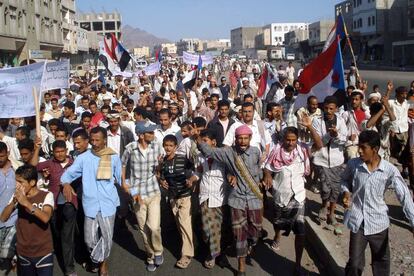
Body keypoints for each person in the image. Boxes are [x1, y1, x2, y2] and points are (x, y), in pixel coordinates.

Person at [341, 130, 414, 276]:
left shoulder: (389, 170)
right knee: (354, 264)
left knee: (381, 262)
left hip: (378, 223)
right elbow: (344, 180)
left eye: (363, 148)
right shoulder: (354, 165)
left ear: (375, 149)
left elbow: (404, 196)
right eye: (359, 147)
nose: (359, 151)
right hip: (358, 222)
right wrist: (346, 192)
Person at [198, 125, 263, 276]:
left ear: (250, 138)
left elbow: (259, 168)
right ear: (235, 139)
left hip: (254, 198)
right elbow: (209, 151)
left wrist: (263, 177)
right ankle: (241, 269)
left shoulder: (255, 152)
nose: (242, 141)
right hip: (237, 199)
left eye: (245, 138)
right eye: (239, 138)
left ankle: (250, 243)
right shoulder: (228, 152)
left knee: (256, 231)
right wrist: (198, 139)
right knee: (239, 234)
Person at [60, 127, 122, 276]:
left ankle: (102, 265)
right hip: (90, 205)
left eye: (97, 140)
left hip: (108, 204)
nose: (94, 143)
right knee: (89, 240)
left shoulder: (113, 157)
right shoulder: (83, 158)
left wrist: (131, 194)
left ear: (104, 140)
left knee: (106, 238)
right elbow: (67, 175)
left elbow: (120, 179)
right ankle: (97, 259)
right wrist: (66, 183)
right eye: (92, 140)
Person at [263, 127, 311, 276]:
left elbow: (319, 145)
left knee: (300, 231)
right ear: (283, 139)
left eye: (293, 140)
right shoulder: (276, 152)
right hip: (281, 194)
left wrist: (310, 127)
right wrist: (268, 175)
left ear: (297, 139)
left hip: (298, 195)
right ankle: (277, 235)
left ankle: (297, 263)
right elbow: (267, 167)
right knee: (278, 222)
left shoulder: (302, 151)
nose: (290, 143)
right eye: (288, 140)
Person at [121, 121, 164, 272]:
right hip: (137, 193)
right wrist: (125, 183)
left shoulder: (157, 145)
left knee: (153, 226)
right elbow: (123, 164)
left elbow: (161, 163)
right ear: (140, 135)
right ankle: (150, 256)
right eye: (150, 132)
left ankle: (158, 250)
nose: (153, 135)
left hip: (153, 191)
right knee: (142, 228)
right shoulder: (130, 148)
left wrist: (160, 167)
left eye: (153, 132)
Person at [1, 164, 54, 276]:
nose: (17, 185)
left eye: (20, 182)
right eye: (16, 181)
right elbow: (3, 218)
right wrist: (14, 202)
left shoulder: (46, 195)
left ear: (32, 182)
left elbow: (46, 218)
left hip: (43, 251)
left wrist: (26, 203)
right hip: (24, 252)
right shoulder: (17, 196)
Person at [158, 135, 197, 269]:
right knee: (181, 225)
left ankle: (186, 255)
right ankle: (193, 243)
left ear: (175, 147)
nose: (168, 148)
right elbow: (161, 176)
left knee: (184, 223)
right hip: (173, 198)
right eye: (166, 145)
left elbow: (195, 170)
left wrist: (191, 180)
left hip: (185, 196)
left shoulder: (182, 159)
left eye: (170, 145)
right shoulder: (163, 161)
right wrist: (161, 181)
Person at [311, 96, 347, 233]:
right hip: (322, 159)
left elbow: (344, 140)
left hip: (337, 160)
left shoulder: (341, 121)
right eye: (326, 108)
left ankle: (331, 213)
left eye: (331, 108)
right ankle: (323, 205)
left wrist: (337, 135)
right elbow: (319, 142)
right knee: (325, 187)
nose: (328, 111)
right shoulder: (316, 121)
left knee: (335, 188)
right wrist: (329, 135)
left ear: (336, 109)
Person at [196, 130, 229, 269]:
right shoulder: (199, 156)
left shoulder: (222, 155)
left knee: (216, 227)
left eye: (206, 141)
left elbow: (231, 171)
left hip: (219, 197)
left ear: (213, 142)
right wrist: (193, 177)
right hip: (205, 195)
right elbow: (197, 172)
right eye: (202, 141)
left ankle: (213, 254)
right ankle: (213, 247)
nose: (203, 144)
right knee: (206, 228)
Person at [0, 142, 17, 269]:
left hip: (14, 220)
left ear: (7, 154)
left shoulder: (17, 170)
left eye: (1, 156)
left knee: (9, 256)